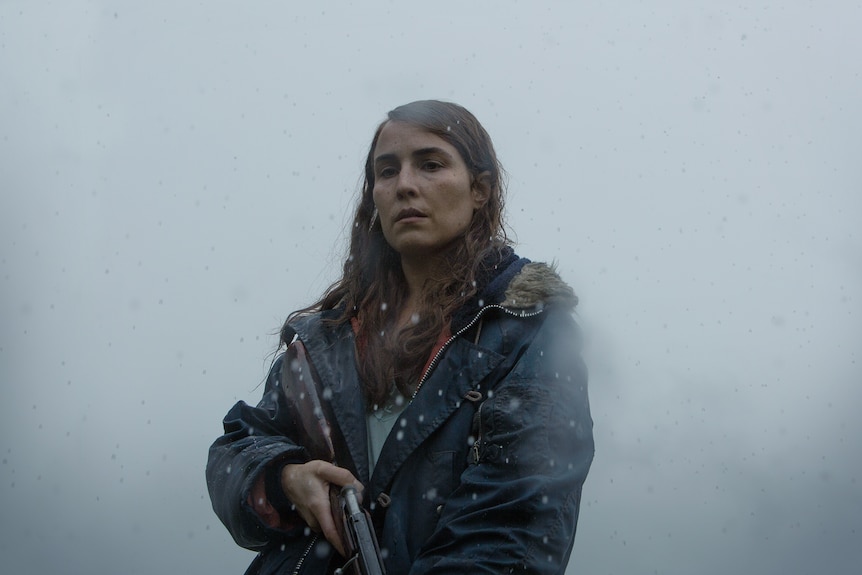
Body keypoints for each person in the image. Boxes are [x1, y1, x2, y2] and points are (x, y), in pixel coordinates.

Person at [206, 100, 594, 574]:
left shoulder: (528, 330)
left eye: (430, 164)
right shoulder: (327, 336)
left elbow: (513, 525)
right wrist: (284, 477)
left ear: (480, 189)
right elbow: (239, 445)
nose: (405, 185)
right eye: (386, 171)